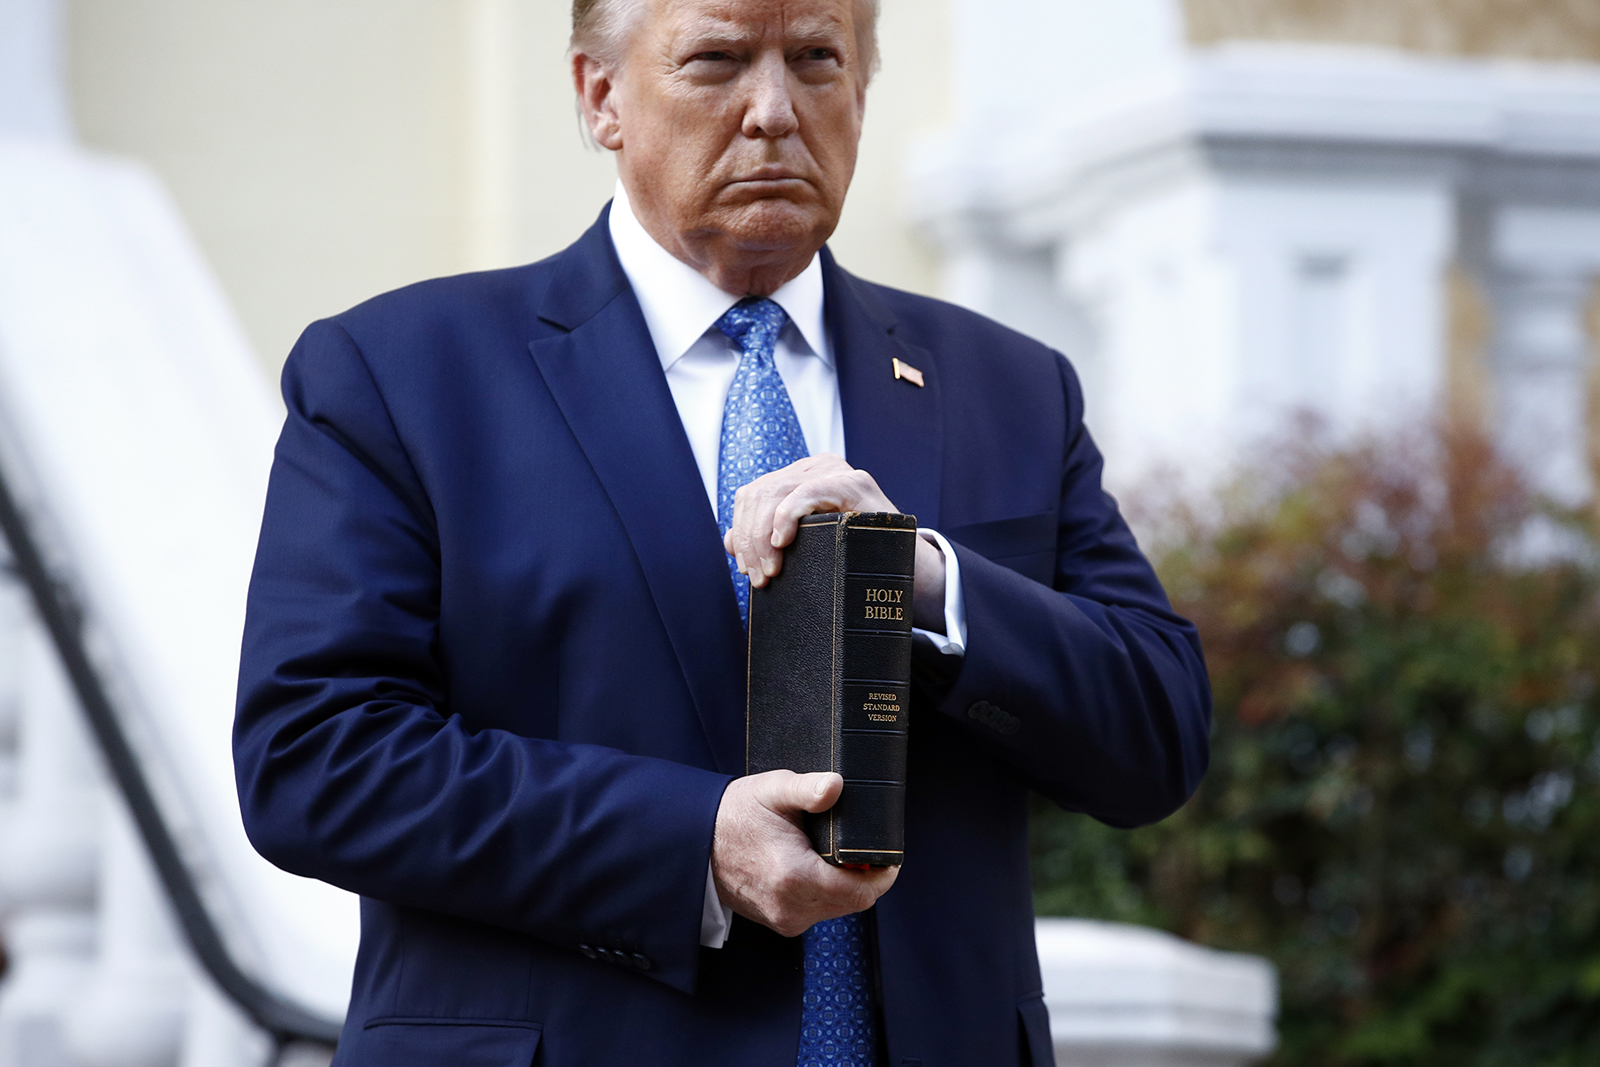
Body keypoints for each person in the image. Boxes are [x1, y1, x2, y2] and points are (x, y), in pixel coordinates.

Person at [232, 0, 1212, 1063]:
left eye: (816, 60)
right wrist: (692, 842)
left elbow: (1157, 730)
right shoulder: (403, 374)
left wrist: (922, 576)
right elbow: (315, 755)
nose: (774, 113)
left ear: (863, 88)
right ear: (600, 96)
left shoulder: (1008, 387)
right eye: (717, 61)